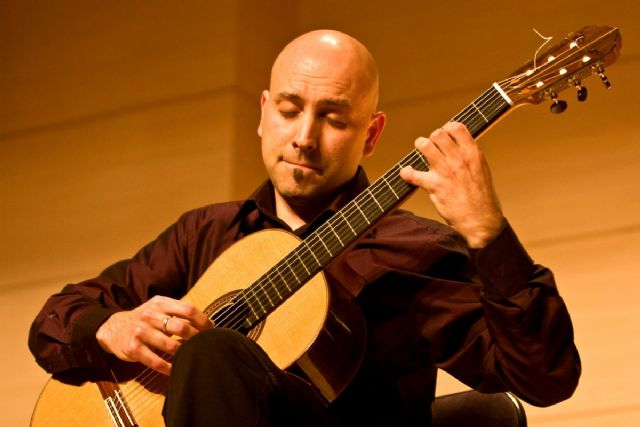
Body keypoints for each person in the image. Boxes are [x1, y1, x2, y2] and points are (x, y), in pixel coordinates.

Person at [29, 29, 580, 426]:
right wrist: (113, 328)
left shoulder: (417, 250)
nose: (304, 137)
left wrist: (488, 232)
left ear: (371, 134)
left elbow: (545, 377)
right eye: (290, 110)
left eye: (334, 118)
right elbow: (55, 320)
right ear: (263, 112)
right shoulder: (208, 233)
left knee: (214, 351)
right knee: (212, 352)